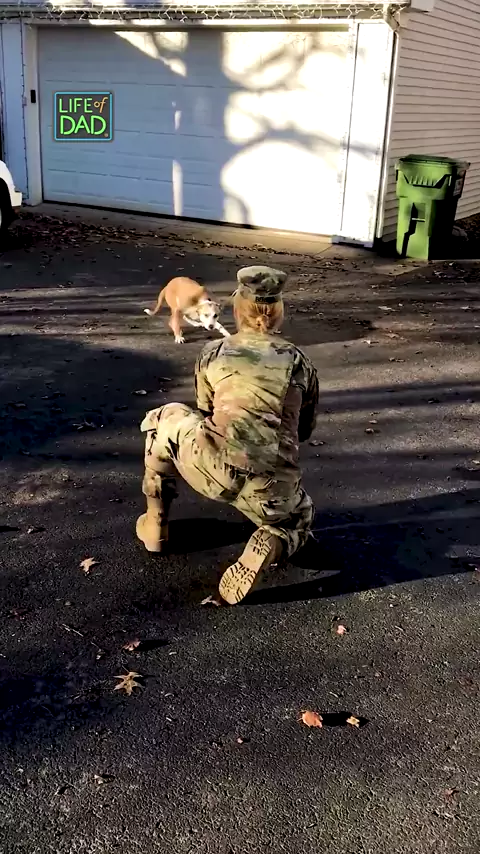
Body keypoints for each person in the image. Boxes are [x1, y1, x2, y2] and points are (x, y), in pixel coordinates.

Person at [136, 265, 319, 605]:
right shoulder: (300, 363)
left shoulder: (214, 352)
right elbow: (304, 430)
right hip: (267, 485)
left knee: (166, 418)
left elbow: (205, 411)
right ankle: (272, 541)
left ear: (237, 311)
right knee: (299, 522)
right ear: (279, 314)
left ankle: (156, 524)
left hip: (212, 466)